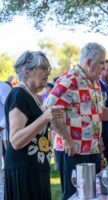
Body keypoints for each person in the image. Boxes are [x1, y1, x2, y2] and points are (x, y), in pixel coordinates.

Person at [45, 42, 108, 200]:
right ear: (88, 62)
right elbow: (49, 110)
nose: (103, 67)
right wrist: (66, 138)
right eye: (101, 63)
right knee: (74, 196)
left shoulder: (96, 83)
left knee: (93, 194)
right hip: (73, 150)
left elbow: (100, 112)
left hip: (93, 149)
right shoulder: (69, 80)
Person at [4, 51, 64, 200]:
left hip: (34, 170)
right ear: (27, 72)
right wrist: (44, 117)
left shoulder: (32, 96)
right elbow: (16, 140)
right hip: (24, 172)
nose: (47, 73)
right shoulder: (19, 95)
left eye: (48, 69)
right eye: (43, 68)